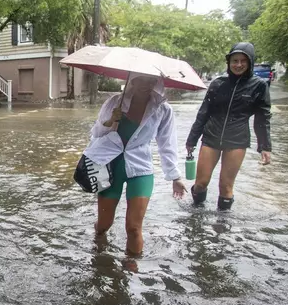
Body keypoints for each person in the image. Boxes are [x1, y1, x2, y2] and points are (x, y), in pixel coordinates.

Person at [86, 73, 187, 256]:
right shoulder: (115, 102)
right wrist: (110, 122)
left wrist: (175, 176)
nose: (146, 84)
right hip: (110, 166)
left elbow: (167, 143)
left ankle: (132, 271)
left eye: (151, 80)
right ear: (132, 80)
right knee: (103, 225)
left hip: (141, 168)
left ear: (156, 83)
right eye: (141, 79)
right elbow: (96, 134)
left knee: (133, 228)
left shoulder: (163, 109)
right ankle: (98, 250)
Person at [186, 42, 271, 211]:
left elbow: (263, 118)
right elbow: (203, 113)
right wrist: (192, 139)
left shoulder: (259, 85)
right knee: (201, 183)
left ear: (250, 63)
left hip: (237, 139)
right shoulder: (218, 83)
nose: (238, 65)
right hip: (211, 137)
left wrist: (265, 146)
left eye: (243, 61)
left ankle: (222, 225)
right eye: (235, 60)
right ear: (229, 62)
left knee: (226, 186)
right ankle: (195, 214)